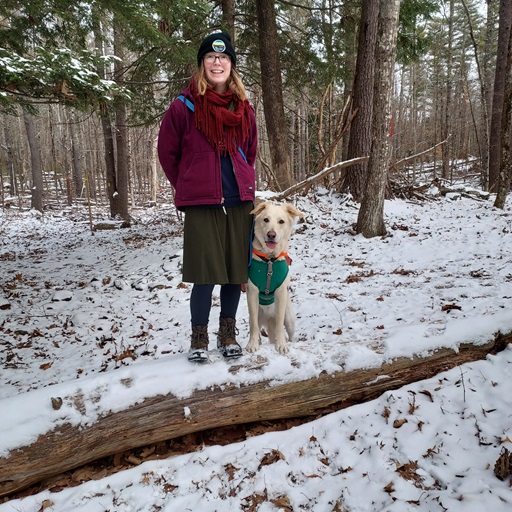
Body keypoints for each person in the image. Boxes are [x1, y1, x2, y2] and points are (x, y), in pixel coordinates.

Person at [158, 31, 258, 363]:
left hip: (238, 201)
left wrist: (242, 180)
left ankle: (227, 333)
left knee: (234, 272)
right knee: (204, 274)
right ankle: (198, 337)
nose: (218, 63)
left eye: (224, 57)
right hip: (202, 203)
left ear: (231, 65)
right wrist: (188, 184)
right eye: (211, 57)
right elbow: (167, 153)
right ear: (203, 64)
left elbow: (250, 152)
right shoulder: (183, 106)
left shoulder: (243, 107)